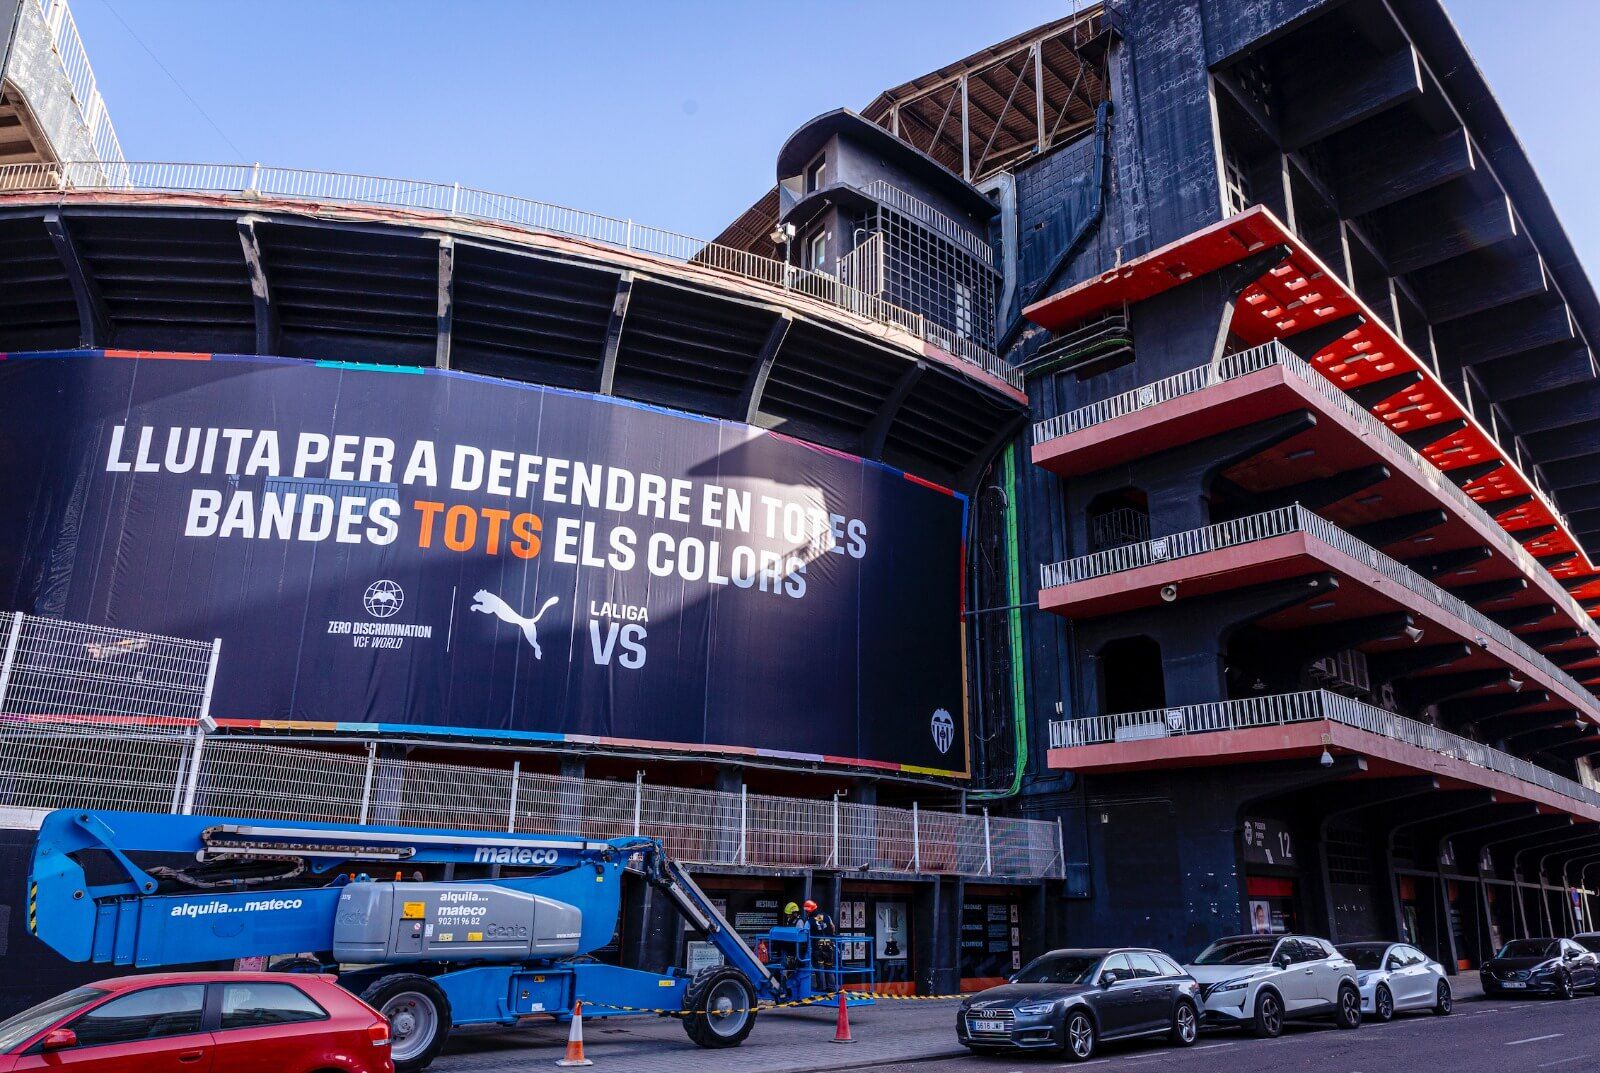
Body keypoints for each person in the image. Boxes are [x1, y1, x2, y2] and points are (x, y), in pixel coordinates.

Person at [804, 899, 836, 970]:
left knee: (820, 972)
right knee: (830, 971)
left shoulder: (809, 922)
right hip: (829, 947)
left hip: (817, 949)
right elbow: (833, 927)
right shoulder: (827, 916)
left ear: (809, 911)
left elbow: (804, 936)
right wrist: (831, 936)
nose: (806, 913)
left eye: (807, 911)